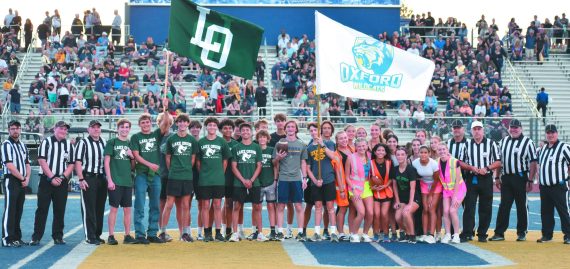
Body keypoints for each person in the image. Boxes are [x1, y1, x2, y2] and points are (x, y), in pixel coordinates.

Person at [490, 119, 538, 242]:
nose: (514, 129)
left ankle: (522, 232)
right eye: (512, 127)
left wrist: (530, 180)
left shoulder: (528, 142)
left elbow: (533, 162)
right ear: (508, 128)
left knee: (521, 205)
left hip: (521, 177)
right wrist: (497, 177)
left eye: (516, 127)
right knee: (504, 206)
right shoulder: (504, 141)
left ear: (521, 128)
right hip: (506, 177)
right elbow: (499, 162)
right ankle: (499, 233)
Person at [30, 121, 74, 246]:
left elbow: (71, 163)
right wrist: (52, 177)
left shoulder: (69, 144)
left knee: (60, 210)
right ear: (55, 129)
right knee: (42, 209)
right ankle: (36, 236)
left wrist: (62, 177)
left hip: (62, 181)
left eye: (65, 129)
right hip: (46, 180)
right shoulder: (46, 142)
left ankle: (58, 236)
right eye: (61, 128)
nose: (64, 131)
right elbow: (42, 160)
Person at [130, 111, 171, 244]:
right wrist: (150, 165)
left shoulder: (155, 135)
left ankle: (152, 233)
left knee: (155, 205)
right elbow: (136, 155)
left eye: (147, 122)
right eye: (143, 122)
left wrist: (165, 110)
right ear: (139, 124)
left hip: (156, 176)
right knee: (139, 205)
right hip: (141, 174)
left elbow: (165, 124)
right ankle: (140, 234)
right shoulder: (136, 137)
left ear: (151, 123)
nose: (146, 124)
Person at [458, 121, 501, 243]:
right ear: (471, 131)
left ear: (483, 130)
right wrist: (471, 168)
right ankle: (467, 232)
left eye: (479, 129)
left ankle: (482, 233)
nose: (477, 131)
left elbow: (498, 162)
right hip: (471, 178)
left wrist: (486, 168)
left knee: (485, 207)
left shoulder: (491, 144)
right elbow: (460, 162)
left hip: (486, 179)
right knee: (469, 207)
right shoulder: (466, 144)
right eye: (474, 129)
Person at [162, 114, 198, 243]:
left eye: (185, 122)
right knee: (169, 204)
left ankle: (185, 233)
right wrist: (173, 169)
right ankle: (163, 232)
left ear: (188, 124)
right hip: (174, 176)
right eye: (180, 122)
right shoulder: (171, 139)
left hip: (187, 176)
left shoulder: (192, 140)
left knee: (185, 205)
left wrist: (186, 168)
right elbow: (168, 157)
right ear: (177, 124)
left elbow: (193, 158)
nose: (182, 124)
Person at [197, 117, 231, 242]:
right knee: (205, 205)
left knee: (217, 205)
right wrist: (204, 173)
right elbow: (198, 162)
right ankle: (207, 233)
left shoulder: (222, 142)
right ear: (206, 127)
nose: (212, 127)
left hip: (218, 179)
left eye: (214, 125)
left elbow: (225, 161)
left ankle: (218, 232)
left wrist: (219, 173)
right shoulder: (201, 142)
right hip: (205, 179)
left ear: (217, 127)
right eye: (209, 125)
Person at [273, 120, 308, 241]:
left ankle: (300, 232)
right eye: (288, 126)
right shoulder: (280, 143)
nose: (291, 128)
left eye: (293, 127)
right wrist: (278, 158)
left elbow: (303, 162)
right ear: (285, 129)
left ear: (296, 129)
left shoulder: (302, 144)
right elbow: (274, 163)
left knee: (298, 205)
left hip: (296, 179)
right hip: (283, 178)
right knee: (281, 205)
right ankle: (280, 232)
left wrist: (304, 178)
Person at [104, 119, 137, 245]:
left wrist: (132, 156)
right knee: (114, 209)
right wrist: (109, 180)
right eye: (122, 127)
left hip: (127, 181)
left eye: (127, 127)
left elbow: (133, 166)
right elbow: (106, 162)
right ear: (118, 129)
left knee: (128, 209)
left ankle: (127, 235)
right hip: (115, 181)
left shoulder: (130, 144)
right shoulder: (112, 142)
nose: (125, 129)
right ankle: (111, 235)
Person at [229, 123, 264, 242]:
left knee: (257, 206)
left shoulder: (257, 147)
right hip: (239, 182)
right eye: (243, 130)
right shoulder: (236, 148)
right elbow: (234, 167)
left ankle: (260, 233)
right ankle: (235, 233)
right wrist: (243, 180)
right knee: (237, 206)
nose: (245, 132)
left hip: (255, 182)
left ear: (251, 132)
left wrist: (252, 180)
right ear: (240, 132)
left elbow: (259, 166)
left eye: (247, 130)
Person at [536, 124, 570, 244]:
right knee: (546, 212)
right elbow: (539, 166)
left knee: (563, 211)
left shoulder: (564, 147)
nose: (550, 135)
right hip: (545, 187)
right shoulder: (542, 149)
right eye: (548, 133)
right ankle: (547, 235)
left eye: (553, 132)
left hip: (559, 186)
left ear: (557, 133)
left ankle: (568, 235)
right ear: (545, 134)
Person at [305, 123, 339, 242]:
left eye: (316, 130)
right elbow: (308, 167)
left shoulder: (329, 143)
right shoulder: (309, 148)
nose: (314, 132)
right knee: (318, 207)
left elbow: (333, 157)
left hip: (328, 179)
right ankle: (316, 232)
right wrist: (314, 180)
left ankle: (333, 232)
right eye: (312, 131)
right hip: (316, 182)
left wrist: (322, 145)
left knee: (330, 207)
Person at [75, 120, 106, 245]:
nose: (96, 129)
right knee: (89, 208)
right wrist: (81, 179)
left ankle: (97, 234)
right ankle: (90, 236)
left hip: (101, 178)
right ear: (88, 129)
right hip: (88, 177)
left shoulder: (104, 142)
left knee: (99, 208)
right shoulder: (83, 143)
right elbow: (78, 162)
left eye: (98, 127)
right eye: (93, 127)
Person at [1, 120, 31, 247]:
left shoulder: (22, 145)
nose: (15, 131)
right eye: (13, 128)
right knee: (10, 209)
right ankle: (7, 238)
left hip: (22, 181)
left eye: (17, 128)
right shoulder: (6, 144)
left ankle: (16, 237)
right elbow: (9, 165)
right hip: (12, 180)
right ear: (9, 130)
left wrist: (27, 178)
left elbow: (27, 163)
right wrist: (22, 178)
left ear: (20, 130)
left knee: (19, 209)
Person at [344, 138, 374, 243]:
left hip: (367, 187)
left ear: (367, 146)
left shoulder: (370, 157)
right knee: (361, 212)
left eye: (363, 146)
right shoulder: (350, 158)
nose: (361, 148)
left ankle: (365, 234)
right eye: (359, 146)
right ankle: (353, 233)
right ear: (356, 147)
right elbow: (347, 177)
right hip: (354, 188)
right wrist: (354, 190)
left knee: (370, 213)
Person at [437, 144, 467, 244]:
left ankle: (456, 235)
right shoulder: (437, 162)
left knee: (452, 210)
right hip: (447, 190)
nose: (442, 151)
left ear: (447, 150)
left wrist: (454, 197)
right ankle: (448, 234)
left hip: (459, 189)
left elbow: (458, 179)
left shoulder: (455, 161)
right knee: (445, 212)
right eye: (440, 150)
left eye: (443, 149)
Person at [412, 146, 440, 244]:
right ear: (418, 153)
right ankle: (424, 234)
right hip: (424, 184)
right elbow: (414, 176)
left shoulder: (434, 164)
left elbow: (436, 179)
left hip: (435, 185)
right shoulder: (415, 163)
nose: (423, 154)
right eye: (421, 152)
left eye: (425, 152)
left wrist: (431, 195)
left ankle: (431, 235)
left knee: (431, 208)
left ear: (429, 154)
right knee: (425, 209)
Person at [392, 146, 420, 244]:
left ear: (406, 156)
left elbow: (413, 188)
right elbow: (395, 186)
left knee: (406, 213)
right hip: (402, 199)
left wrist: (410, 204)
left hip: (414, 199)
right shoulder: (395, 169)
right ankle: (406, 233)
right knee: (398, 217)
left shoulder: (411, 169)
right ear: (395, 156)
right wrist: (397, 201)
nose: (400, 156)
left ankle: (412, 236)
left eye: (402, 154)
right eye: (398, 155)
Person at [369, 143, 394, 243]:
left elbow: (391, 178)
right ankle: (376, 234)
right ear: (374, 152)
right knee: (376, 214)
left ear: (385, 152)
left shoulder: (389, 162)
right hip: (375, 192)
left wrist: (385, 185)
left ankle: (386, 234)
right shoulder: (370, 163)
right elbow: (368, 177)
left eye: (382, 150)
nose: (380, 152)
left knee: (384, 214)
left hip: (386, 191)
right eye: (378, 150)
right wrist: (372, 186)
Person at [256, 130, 278, 240]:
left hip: (270, 182)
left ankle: (273, 230)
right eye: (260, 137)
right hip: (258, 183)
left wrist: (275, 180)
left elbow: (275, 166)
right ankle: (259, 231)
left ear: (267, 139)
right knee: (258, 207)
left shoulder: (271, 150)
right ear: (257, 139)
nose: (262, 139)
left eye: (264, 137)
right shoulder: (255, 149)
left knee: (271, 206)